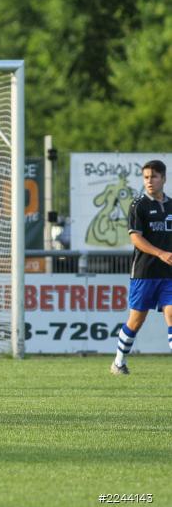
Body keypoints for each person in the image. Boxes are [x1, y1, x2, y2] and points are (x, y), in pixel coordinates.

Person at [111, 159, 172, 375]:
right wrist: (161, 253)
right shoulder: (138, 205)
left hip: (168, 275)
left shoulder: (171, 205)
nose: (149, 181)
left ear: (163, 178)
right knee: (136, 321)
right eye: (146, 177)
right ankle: (119, 363)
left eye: (154, 176)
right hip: (144, 273)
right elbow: (136, 239)